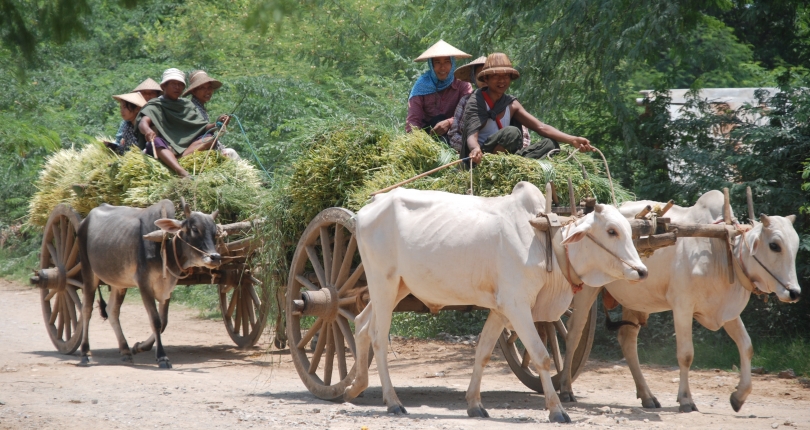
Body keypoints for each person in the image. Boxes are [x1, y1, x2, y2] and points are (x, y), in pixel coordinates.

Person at [462, 53, 593, 166]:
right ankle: (492, 166)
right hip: (483, 156)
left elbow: (541, 127)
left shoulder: (511, 103)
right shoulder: (476, 101)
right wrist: (475, 149)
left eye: (506, 76)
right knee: (511, 133)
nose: (502, 80)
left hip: (508, 156)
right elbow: (471, 136)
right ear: (486, 78)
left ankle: (510, 165)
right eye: (496, 76)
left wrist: (572, 140)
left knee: (551, 145)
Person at [137, 68, 219, 178]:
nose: (177, 87)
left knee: (210, 138)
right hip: (167, 147)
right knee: (155, 142)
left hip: (188, 147)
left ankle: (179, 160)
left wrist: (218, 124)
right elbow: (143, 122)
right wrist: (147, 130)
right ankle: (181, 171)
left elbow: (203, 127)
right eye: (173, 84)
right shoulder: (155, 104)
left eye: (180, 84)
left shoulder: (187, 105)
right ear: (164, 86)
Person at [405, 40, 472, 145]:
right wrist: (415, 142)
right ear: (431, 65)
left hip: (457, 134)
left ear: (452, 63)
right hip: (428, 136)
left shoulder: (462, 84)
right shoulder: (421, 86)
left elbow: (469, 113)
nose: (442, 67)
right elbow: (413, 121)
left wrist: (449, 122)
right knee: (437, 120)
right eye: (437, 62)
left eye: (446, 62)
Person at [183, 70, 239, 159]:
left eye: (209, 88)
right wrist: (217, 124)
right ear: (194, 91)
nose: (208, 91)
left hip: (204, 144)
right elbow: (199, 130)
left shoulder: (200, 107)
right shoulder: (192, 107)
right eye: (203, 88)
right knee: (232, 153)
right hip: (194, 146)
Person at [113, 78, 163, 147]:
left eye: (152, 93)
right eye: (145, 93)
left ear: (157, 95)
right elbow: (118, 141)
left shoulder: (159, 113)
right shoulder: (128, 121)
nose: (148, 96)